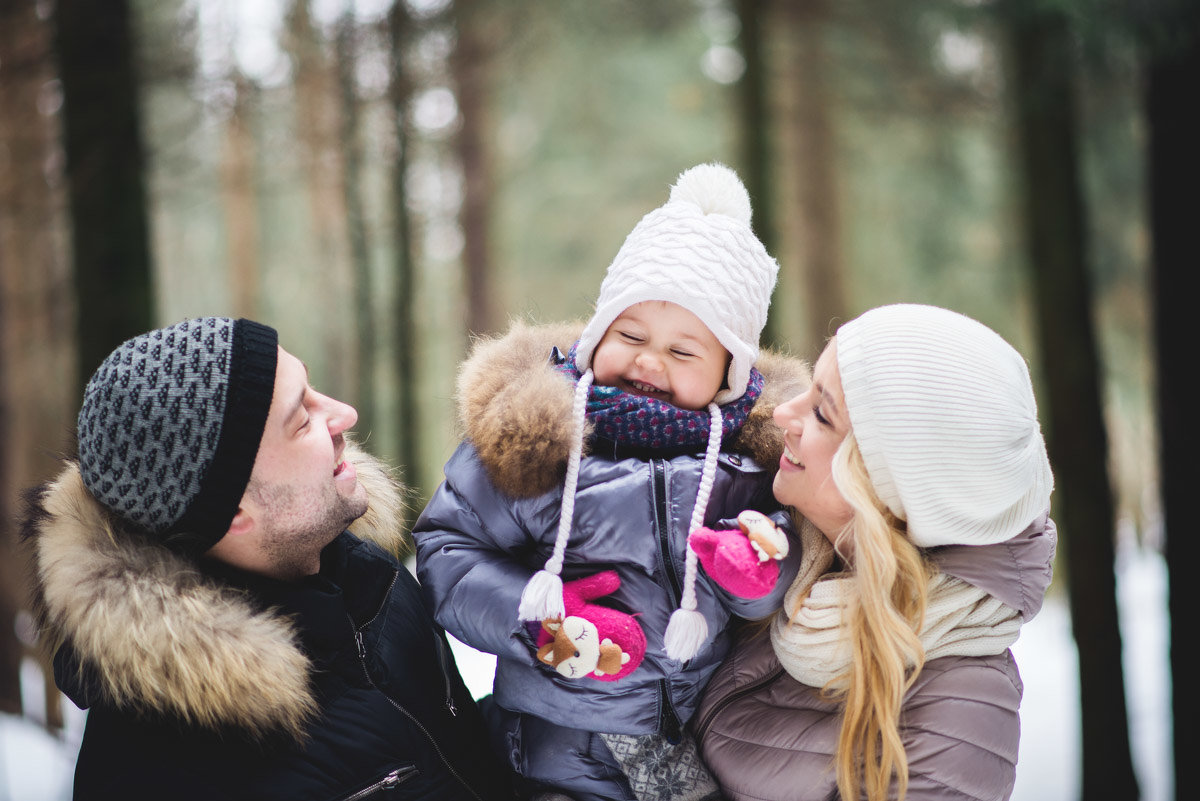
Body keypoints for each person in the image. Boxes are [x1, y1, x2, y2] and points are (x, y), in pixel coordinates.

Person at [411, 163, 810, 801]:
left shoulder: (747, 466)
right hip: (552, 747)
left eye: (684, 353)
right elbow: (445, 552)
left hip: (698, 748)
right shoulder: (539, 444)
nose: (649, 361)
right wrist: (543, 621)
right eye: (630, 335)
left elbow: (782, 583)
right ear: (598, 336)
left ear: (729, 375)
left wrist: (757, 577)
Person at [21, 317, 514, 801]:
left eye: (312, 388)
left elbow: (451, 760)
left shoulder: (363, 575)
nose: (344, 414)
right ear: (234, 510)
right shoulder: (160, 771)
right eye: (302, 420)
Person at [691, 303, 1058, 801]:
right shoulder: (768, 534)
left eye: (822, 414)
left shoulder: (957, 720)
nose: (782, 415)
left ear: (889, 492)